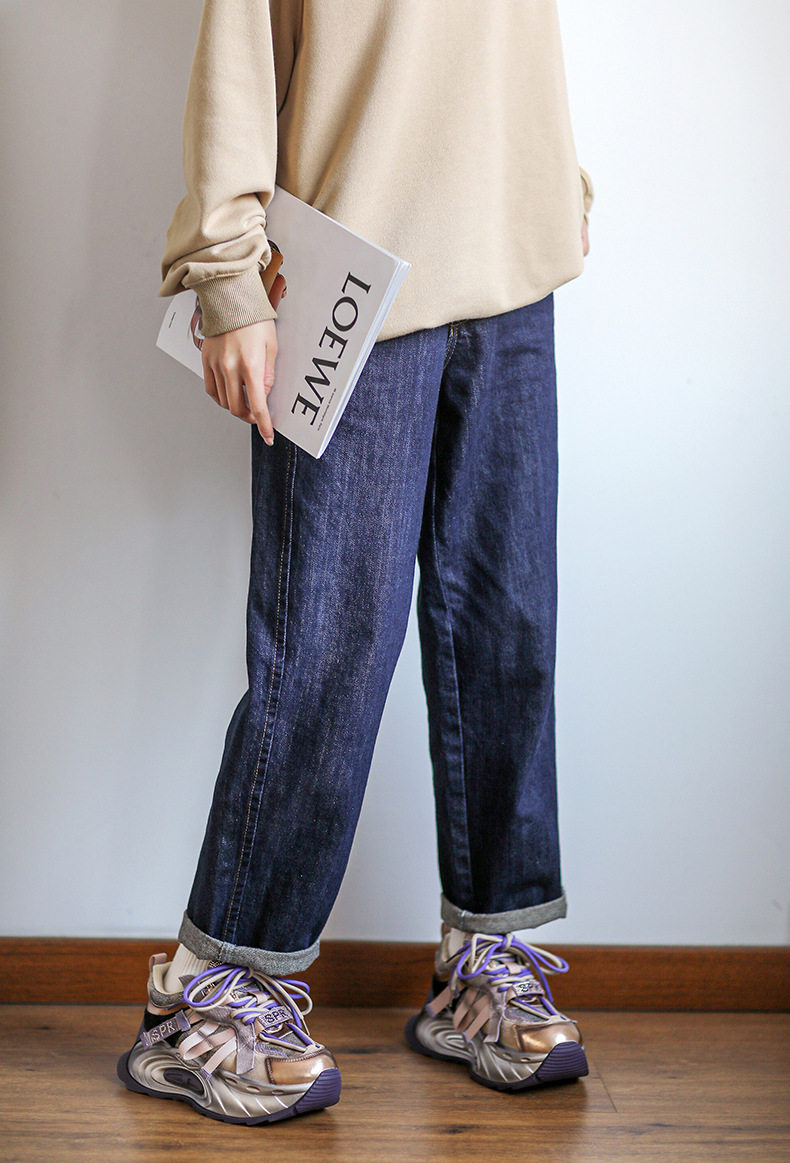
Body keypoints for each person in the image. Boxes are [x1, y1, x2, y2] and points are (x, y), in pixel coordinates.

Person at [117, 0, 594, 1125]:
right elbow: (239, 56)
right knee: (329, 647)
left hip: (513, 271)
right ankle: (215, 995)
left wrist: (555, 190)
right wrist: (227, 274)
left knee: (508, 630)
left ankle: (485, 960)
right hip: (351, 281)